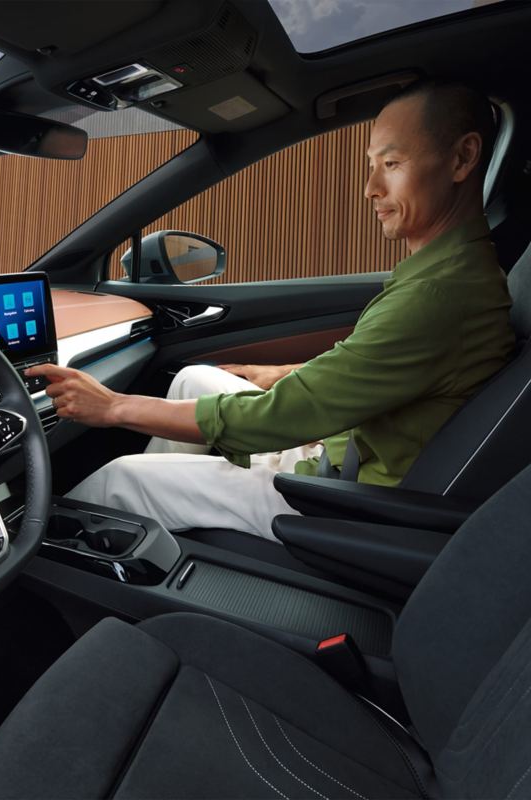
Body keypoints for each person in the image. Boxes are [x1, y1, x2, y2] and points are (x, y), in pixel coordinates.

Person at [26, 79, 516, 540]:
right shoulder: (448, 273)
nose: (370, 188)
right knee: (192, 378)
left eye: (391, 164)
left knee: (122, 477)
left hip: (342, 494)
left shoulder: (438, 296)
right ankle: (156, 531)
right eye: (371, 165)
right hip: (342, 447)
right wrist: (280, 370)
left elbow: (282, 417)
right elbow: (375, 368)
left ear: (462, 158)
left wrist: (113, 407)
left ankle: (45, 590)